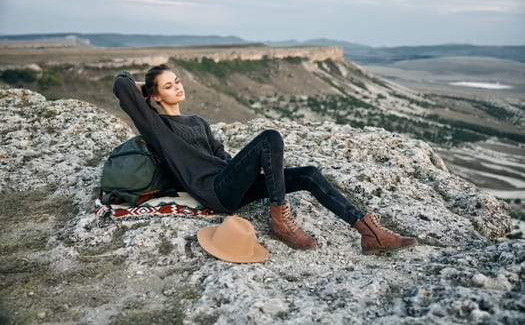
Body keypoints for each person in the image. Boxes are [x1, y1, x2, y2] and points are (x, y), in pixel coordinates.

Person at [112, 64, 416, 255]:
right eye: (168, 86)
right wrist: (144, 88)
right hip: (215, 193)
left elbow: (222, 156)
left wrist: (253, 169)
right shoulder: (158, 128)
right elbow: (121, 84)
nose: (178, 86)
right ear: (155, 96)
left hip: (232, 183)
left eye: (177, 80)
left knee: (308, 173)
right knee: (270, 136)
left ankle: (368, 231)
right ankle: (280, 222)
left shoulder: (198, 121)